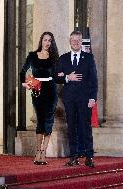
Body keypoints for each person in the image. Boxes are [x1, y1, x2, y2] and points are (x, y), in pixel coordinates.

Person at [55, 31, 98, 167]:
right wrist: (67, 77)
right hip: (69, 99)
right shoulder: (63, 58)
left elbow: (93, 79)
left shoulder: (88, 58)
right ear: (70, 41)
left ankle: (89, 156)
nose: (75, 42)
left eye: (78, 40)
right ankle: (73, 157)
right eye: (73, 40)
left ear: (81, 42)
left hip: (85, 99)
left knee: (85, 127)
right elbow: (56, 77)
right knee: (71, 127)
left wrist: (93, 98)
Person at [20, 31, 59, 165]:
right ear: (41, 41)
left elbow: (56, 77)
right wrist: (24, 83)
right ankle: (37, 150)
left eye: (49, 40)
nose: (47, 43)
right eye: (45, 40)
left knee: (49, 121)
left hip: (51, 90)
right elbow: (23, 71)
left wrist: (66, 77)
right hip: (37, 89)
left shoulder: (54, 57)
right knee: (40, 120)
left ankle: (43, 152)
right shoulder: (32, 55)